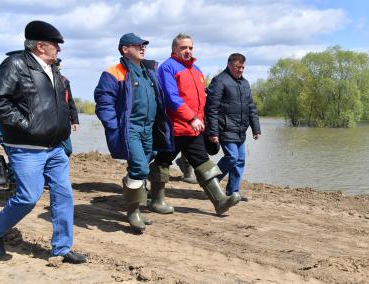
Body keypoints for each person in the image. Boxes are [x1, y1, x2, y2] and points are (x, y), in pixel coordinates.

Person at [0, 20, 86, 263]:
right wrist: (26, 125)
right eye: (56, 44)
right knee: (28, 197)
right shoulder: (15, 64)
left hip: (54, 147)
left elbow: (61, 104)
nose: (59, 49)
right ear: (39, 46)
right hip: (25, 147)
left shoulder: (53, 69)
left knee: (64, 195)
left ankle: (62, 248)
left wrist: (64, 126)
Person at [149, 33, 240, 215]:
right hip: (173, 127)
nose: (188, 51)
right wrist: (191, 118)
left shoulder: (197, 70)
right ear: (174, 49)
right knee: (162, 162)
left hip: (193, 128)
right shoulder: (168, 67)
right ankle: (156, 201)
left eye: (190, 47)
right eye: (183, 48)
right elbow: (171, 98)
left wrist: (204, 122)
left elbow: (201, 100)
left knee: (203, 161)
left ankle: (220, 200)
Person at [94, 33, 173, 233]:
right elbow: (104, 102)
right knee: (139, 168)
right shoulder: (114, 72)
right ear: (125, 49)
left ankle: (135, 204)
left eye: (144, 45)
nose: (142, 47)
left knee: (142, 165)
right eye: (137, 45)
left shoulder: (148, 70)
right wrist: (113, 126)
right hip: (130, 128)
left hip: (150, 128)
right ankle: (133, 213)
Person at [205, 53, 261, 202]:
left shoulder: (245, 83)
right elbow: (211, 109)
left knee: (240, 160)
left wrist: (256, 128)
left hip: (240, 130)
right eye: (238, 67)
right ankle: (211, 183)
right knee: (232, 157)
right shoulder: (219, 81)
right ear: (229, 65)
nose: (241, 70)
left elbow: (251, 107)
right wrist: (212, 131)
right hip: (225, 128)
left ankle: (233, 192)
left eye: (243, 67)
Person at [56, 59, 80, 157]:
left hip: (63, 122)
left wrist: (75, 121)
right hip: (48, 121)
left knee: (67, 149)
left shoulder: (64, 81)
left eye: (58, 66)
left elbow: (70, 101)